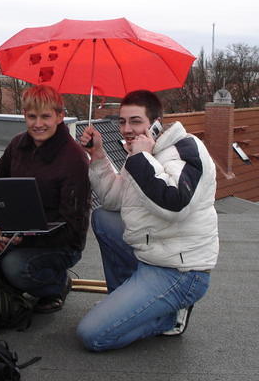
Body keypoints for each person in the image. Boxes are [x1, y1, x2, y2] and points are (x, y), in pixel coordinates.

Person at [76, 89, 219, 351]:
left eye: (135, 121)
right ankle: (126, 302)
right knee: (104, 218)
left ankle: (167, 317)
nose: (127, 129)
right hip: (151, 256)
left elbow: (176, 203)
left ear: (155, 123)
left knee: (92, 335)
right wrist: (97, 154)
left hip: (179, 272)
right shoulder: (141, 152)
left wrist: (142, 158)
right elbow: (113, 200)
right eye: (122, 121)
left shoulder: (186, 149)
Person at [0, 85, 91, 313]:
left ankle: (56, 285)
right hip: (16, 233)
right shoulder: (17, 145)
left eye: (45, 116)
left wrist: (22, 239)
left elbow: (74, 227)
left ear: (60, 116)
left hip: (60, 243)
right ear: (24, 115)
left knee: (14, 267)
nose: (38, 124)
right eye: (31, 116)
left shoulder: (74, 159)